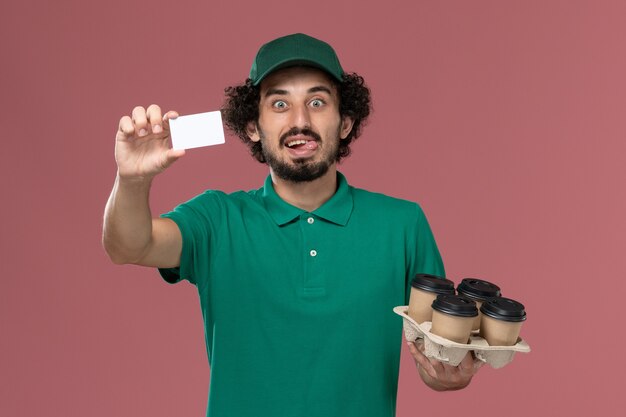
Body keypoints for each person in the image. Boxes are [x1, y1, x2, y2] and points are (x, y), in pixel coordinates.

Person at [103, 33, 481, 417]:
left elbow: (436, 358)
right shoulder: (216, 219)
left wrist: (450, 373)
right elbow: (128, 246)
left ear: (345, 122)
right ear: (253, 126)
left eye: (317, 102)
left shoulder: (403, 224)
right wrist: (131, 180)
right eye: (280, 104)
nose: (300, 121)